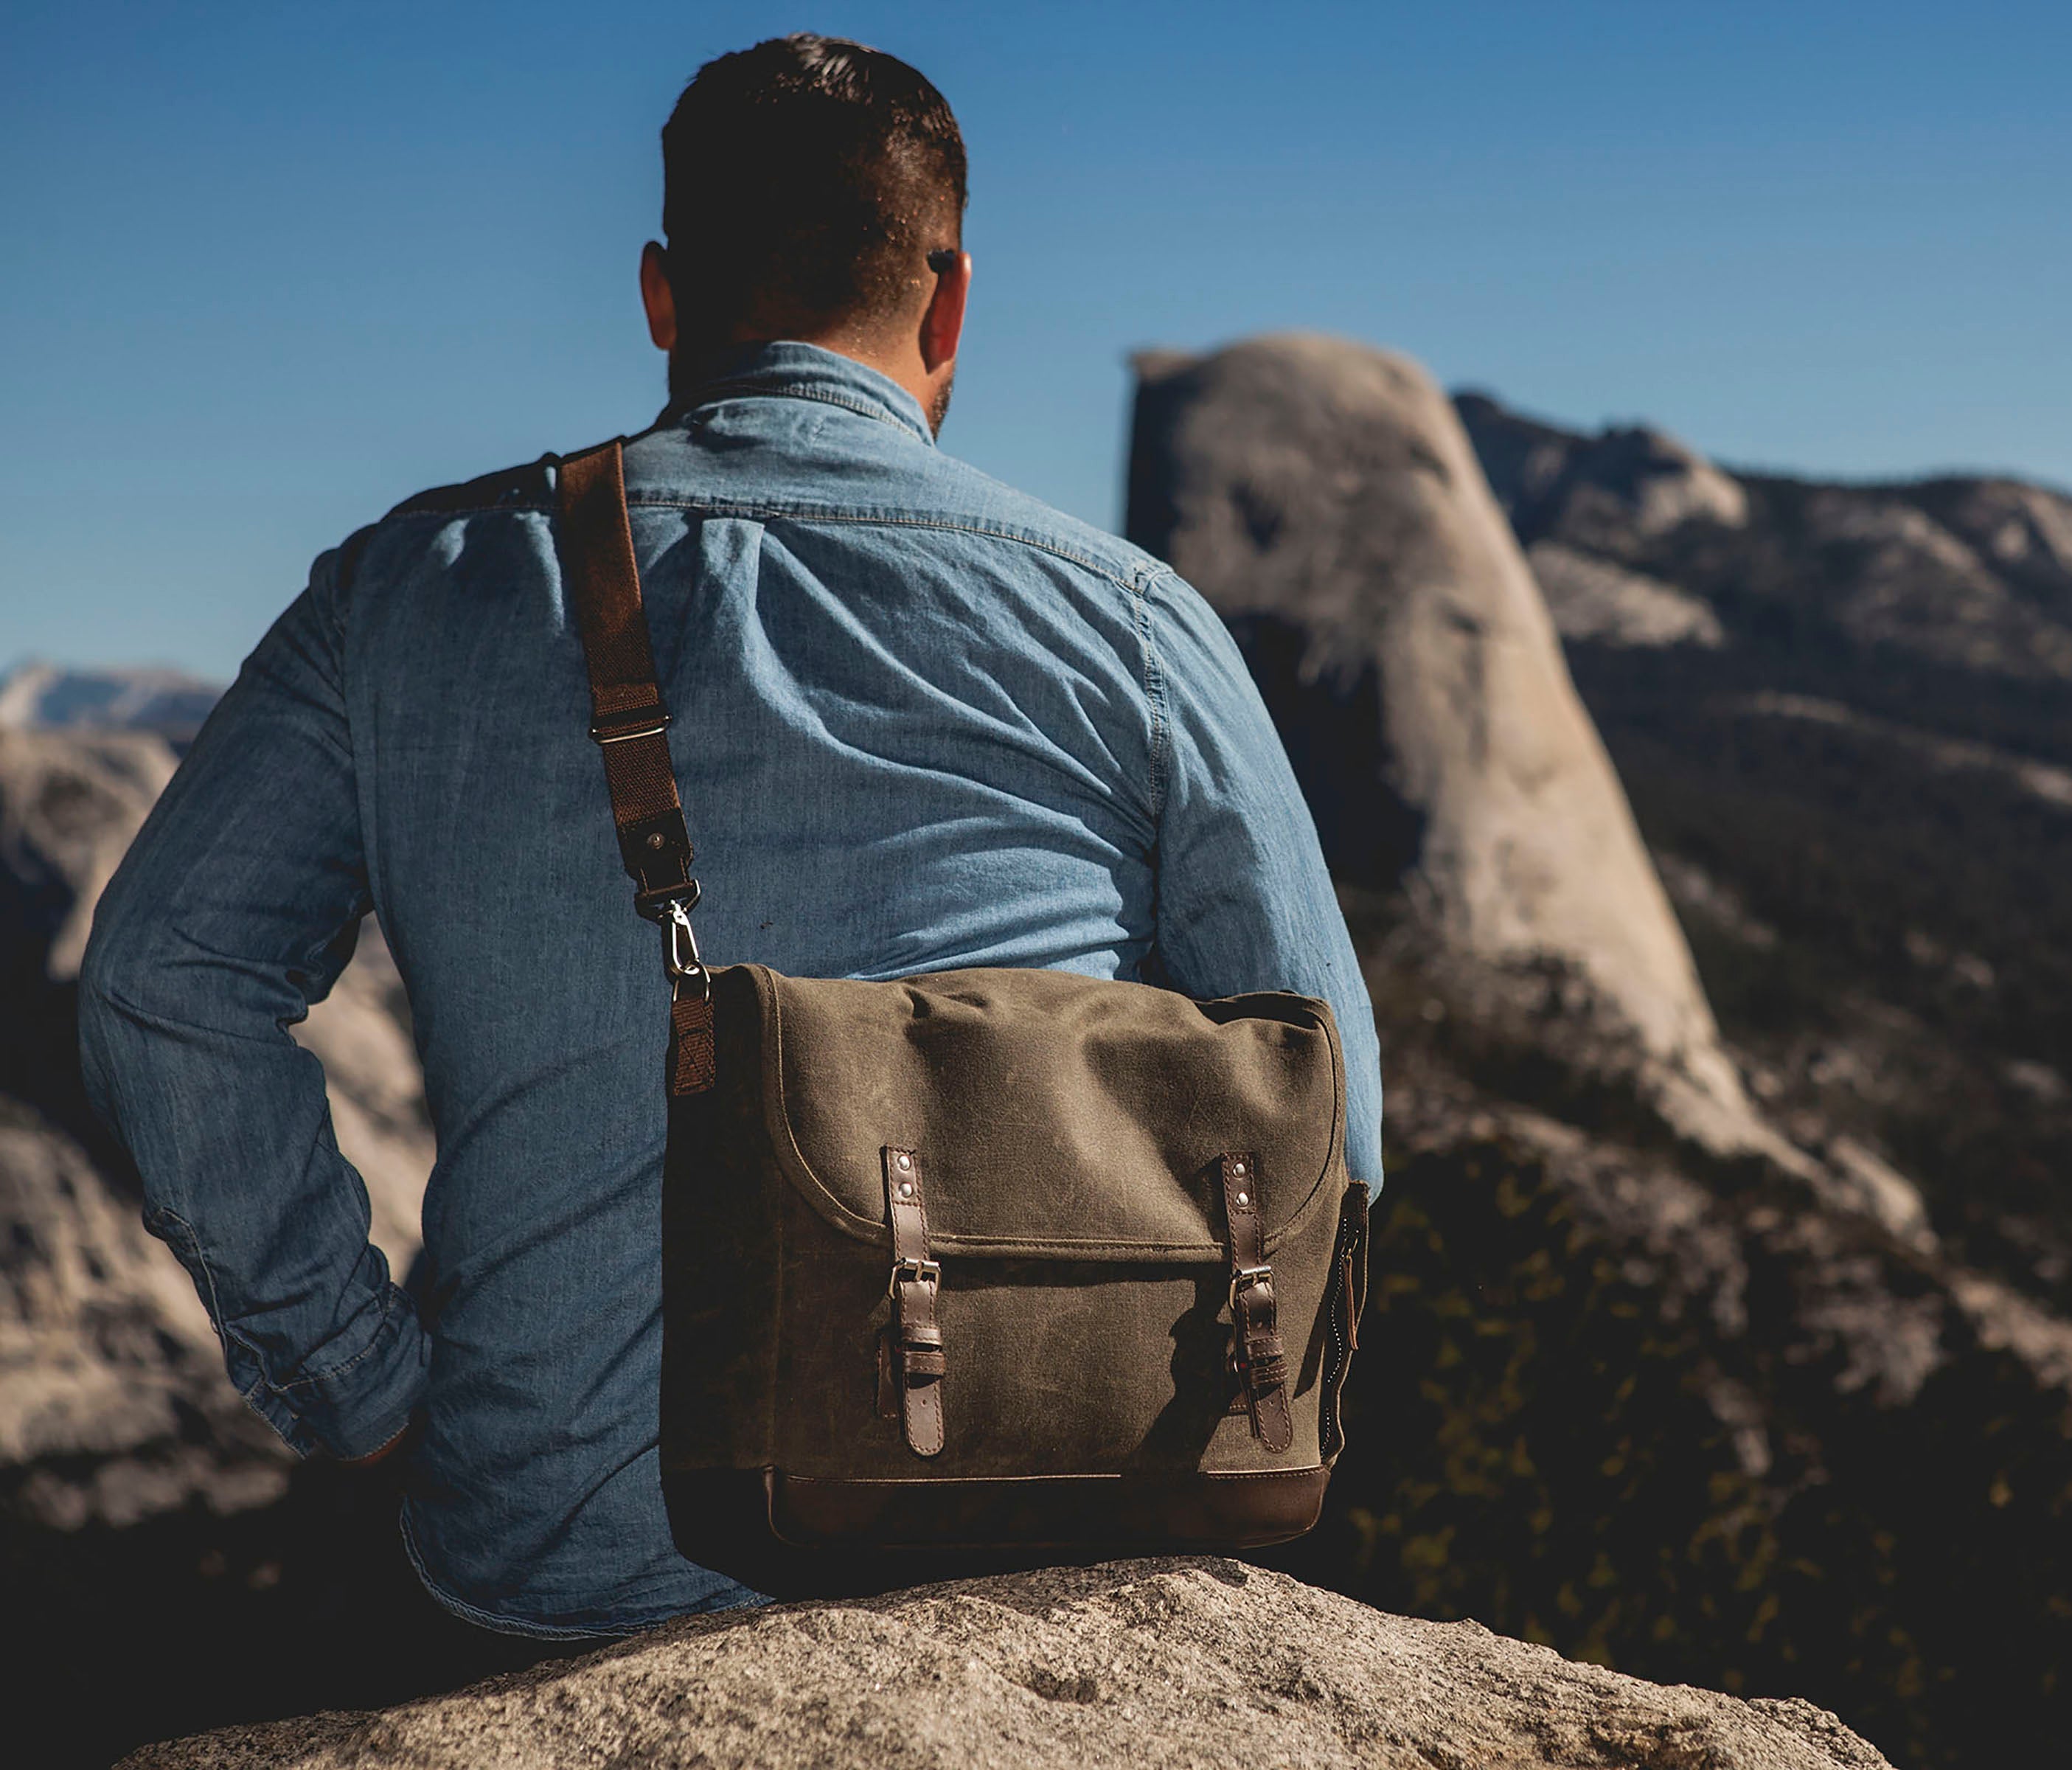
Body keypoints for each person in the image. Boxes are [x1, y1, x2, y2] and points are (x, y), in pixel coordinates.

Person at [77, 35, 1381, 1644]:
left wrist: (365, 1389)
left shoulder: (409, 589)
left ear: (660, 292)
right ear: (952, 299)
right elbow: (1332, 1115)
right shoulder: (1136, 626)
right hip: (1042, 1565)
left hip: (556, 1570)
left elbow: (159, 980)